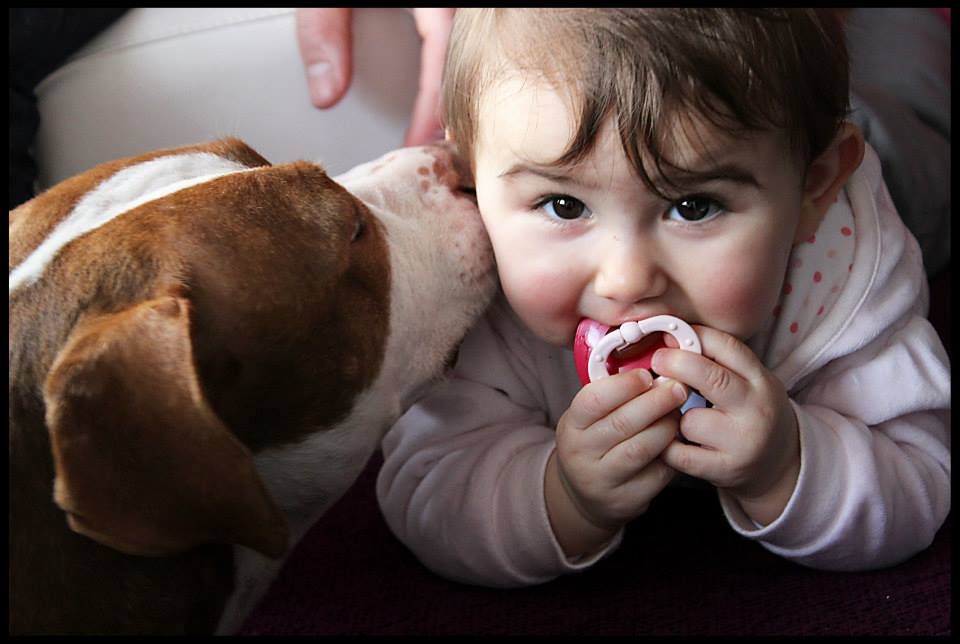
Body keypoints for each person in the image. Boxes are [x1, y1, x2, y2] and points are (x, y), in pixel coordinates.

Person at [375, 8, 951, 587]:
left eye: (694, 206)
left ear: (814, 186)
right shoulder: (481, 285)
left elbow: (920, 478)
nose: (625, 281)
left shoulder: (848, 273)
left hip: (900, 175)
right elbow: (428, 484)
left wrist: (789, 464)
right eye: (564, 206)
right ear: (470, 172)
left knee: (915, 89)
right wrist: (561, 497)